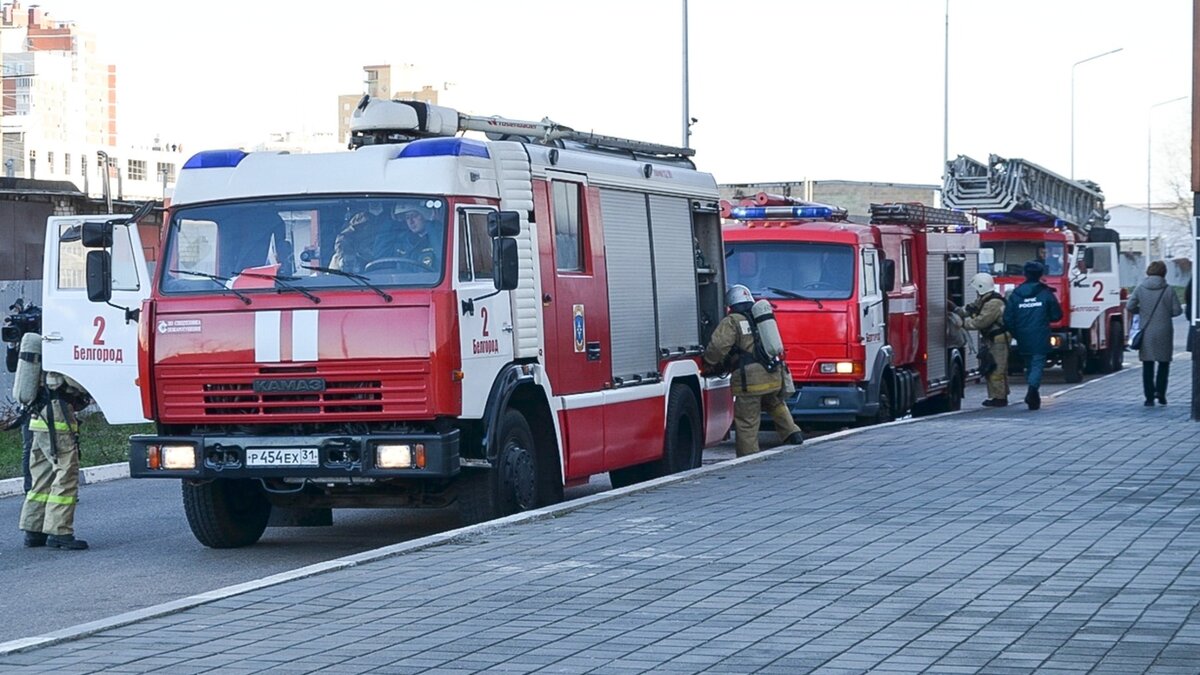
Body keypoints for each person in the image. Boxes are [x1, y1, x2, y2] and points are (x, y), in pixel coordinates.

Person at [703, 285, 804, 457]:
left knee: (746, 420)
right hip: (773, 375)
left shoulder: (733, 321)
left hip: (750, 382)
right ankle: (793, 433)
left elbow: (718, 346)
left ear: (731, 303)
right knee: (775, 404)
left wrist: (708, 361)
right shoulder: (760, 317)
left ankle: (748, 457)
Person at [19, 372, 91, 550]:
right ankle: (60, 532)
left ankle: (34, 530)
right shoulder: (60, 355)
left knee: (42, 477)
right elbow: (76, 379)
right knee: (66, 474)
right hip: (57, 416)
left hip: (39, 416)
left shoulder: (39, 356)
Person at [1003, 261, 1062, 411]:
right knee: (1037, 363)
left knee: (1029, 363)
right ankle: (1032, 390)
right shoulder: (1045, 293)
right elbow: (1057, 315)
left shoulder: (1016, 294)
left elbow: (1007, 318)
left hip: (1022, 335)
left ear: (1025, 274)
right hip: (1040, 334)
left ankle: (1033, 393)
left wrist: (1017, 332)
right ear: (1041, 274)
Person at [1127, 260, 1183, 406]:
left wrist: (1140, 312)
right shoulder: (1168, 290)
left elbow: (1129, 305)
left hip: (1147, 330)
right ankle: (1161, 394)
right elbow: (1177, 310)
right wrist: (1165, 313)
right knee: (1164, 363)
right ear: (1164, 272)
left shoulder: (1140, 288)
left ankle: (1149, 397)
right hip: (1164, 330)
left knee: (1147, 364)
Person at [956, 272, 1009, 407]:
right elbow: (970, 309)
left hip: (998, 340)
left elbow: (981, 322)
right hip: (993, 339)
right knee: (992, 367)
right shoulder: (985, 299)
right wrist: (956, 310)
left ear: (981, 287)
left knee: (996, 369)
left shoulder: (993, 303)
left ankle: (999, 398)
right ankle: (999, 395)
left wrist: (962, 323)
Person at [330, 201, 399, 273]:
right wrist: (347, 256)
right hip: (359, 273)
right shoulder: (359, 219)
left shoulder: (394, 223)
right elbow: (343, 238)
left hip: (393, 271)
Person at [395, 205, 439, 269]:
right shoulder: (403, 241)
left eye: (414, 216)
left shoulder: (438, 239)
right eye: (407, 218)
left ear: (425, 216)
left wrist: (430, 226)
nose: (411, 222)